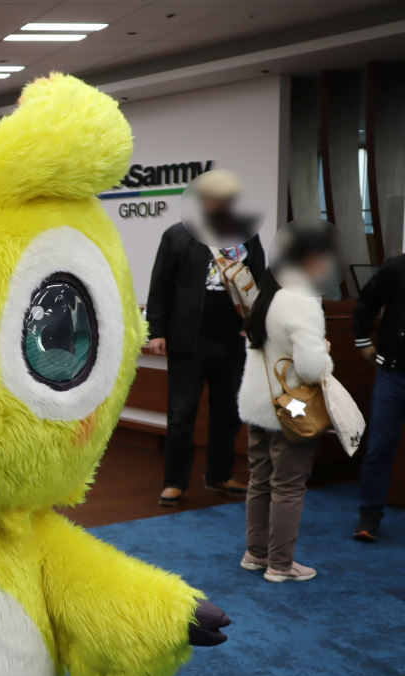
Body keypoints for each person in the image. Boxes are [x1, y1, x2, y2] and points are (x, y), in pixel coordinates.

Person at [146, 177, 266, 507]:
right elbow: (160, 287)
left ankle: (219, 475)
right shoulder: (177, 235)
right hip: (188, 343)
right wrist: (156, 331)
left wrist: (251, 326)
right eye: (214, 199)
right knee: (181, 414)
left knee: (228, 412)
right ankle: (174, 482)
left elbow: (259, 284)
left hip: (232, 342)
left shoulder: (246, 236)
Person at [236, 225, 337, 582]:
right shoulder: (301, 299)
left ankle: (256, 553)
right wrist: (324, 353)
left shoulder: (268, 294)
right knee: (289, 486)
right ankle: (280, 565)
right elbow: (311, 368)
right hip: (290, 411)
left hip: (258, 405)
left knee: (260, 480)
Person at [352, 252, 405, 542]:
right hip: (392, 374)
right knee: (380, 446)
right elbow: (368, 300)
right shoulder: (397, 267)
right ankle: (370, 514)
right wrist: (362, 340)